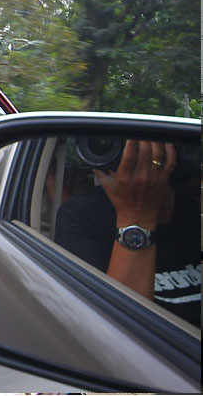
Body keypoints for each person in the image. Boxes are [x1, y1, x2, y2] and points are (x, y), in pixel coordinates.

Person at [54, 139, 201, 327]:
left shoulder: (191, 206)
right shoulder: (81, 214)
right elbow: (116, 331)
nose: (132, 155)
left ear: (173, 152)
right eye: (109, 144)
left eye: (146, 144)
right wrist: (136, 216)